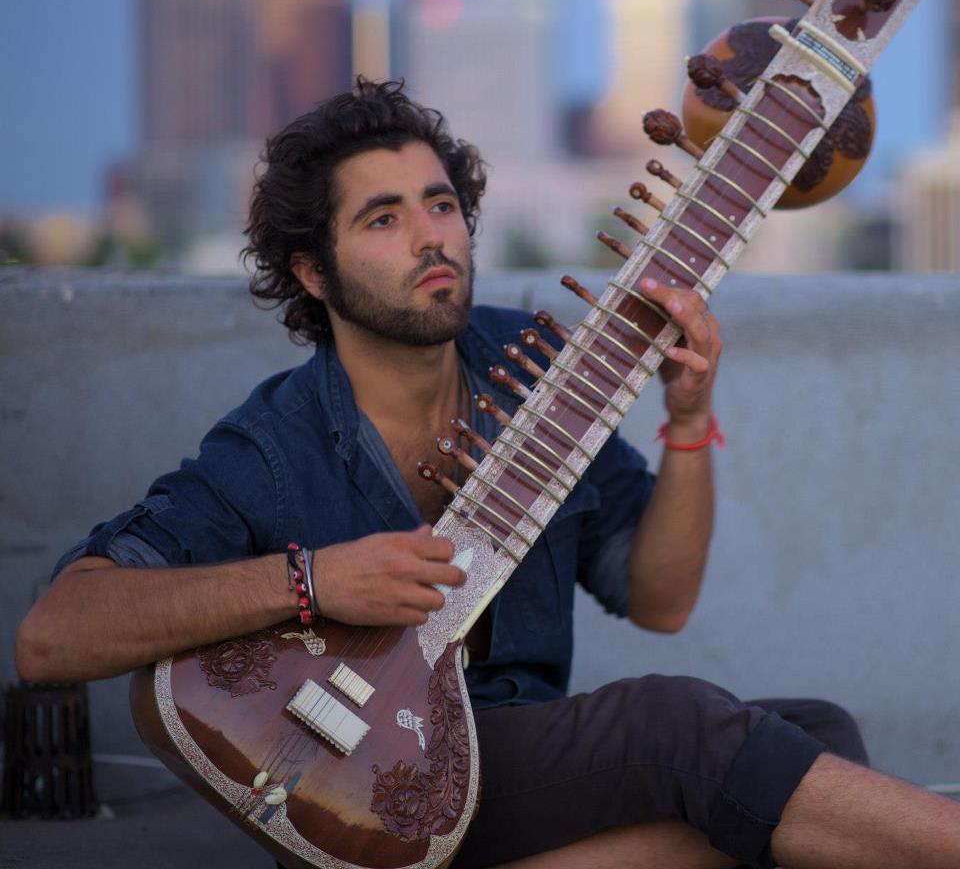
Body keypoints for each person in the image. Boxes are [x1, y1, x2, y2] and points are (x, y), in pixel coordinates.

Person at [15, 79, 960, 869]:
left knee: (818, 738)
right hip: (369, 780)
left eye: (441, 204)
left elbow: (659, 595)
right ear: (312, 272)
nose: (432, 236)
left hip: (514, 764)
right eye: (384, 218)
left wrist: (687, 420)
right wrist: (314, 583)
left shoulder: (539, 373)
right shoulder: (271, 448)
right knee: (686, 735)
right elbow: (53, 638)